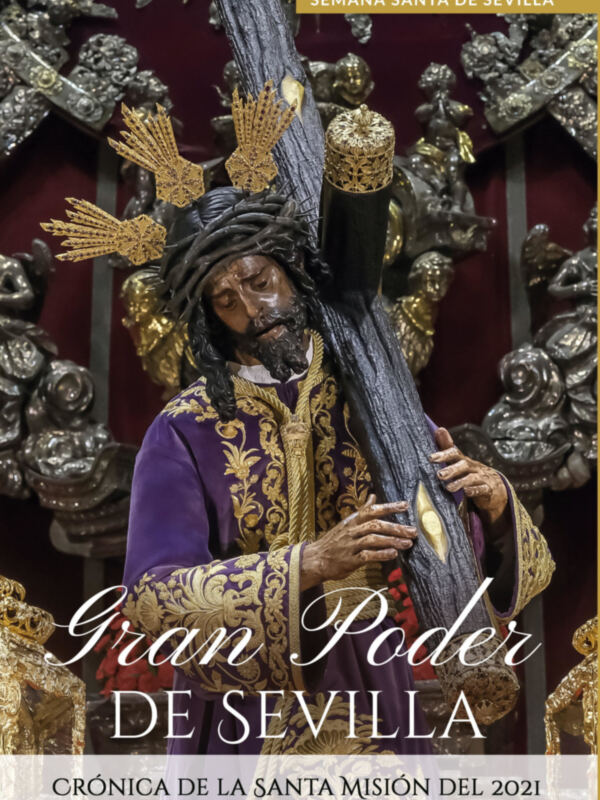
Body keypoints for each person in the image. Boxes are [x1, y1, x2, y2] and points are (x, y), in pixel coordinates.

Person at [121, 186, 555, 756]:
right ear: (209, 316)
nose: (252, 310)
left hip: (369, 676)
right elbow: (150, 597)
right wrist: (307, 564)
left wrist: (491, 506)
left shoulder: (374, 396)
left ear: (291, 267)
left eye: (258, 280)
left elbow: (441, 540)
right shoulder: (183, 430)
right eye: (225, 300)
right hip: (244, 701)